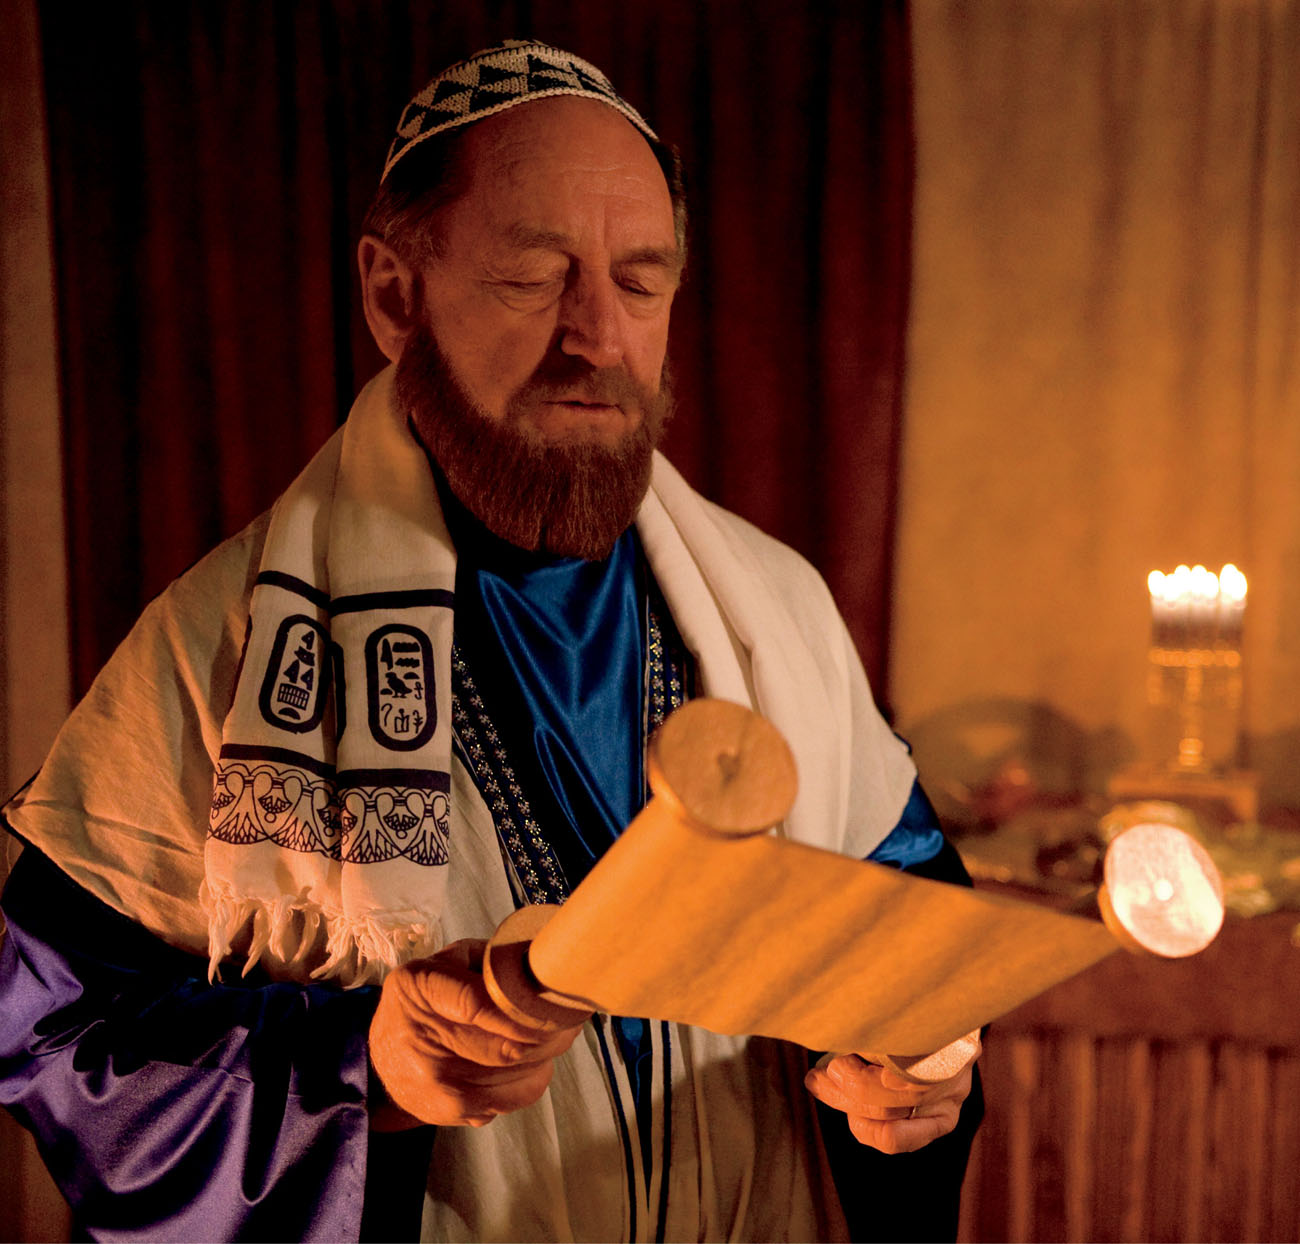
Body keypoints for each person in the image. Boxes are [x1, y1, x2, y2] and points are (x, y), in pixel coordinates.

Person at [0, 40, 981, 1243]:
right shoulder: (225, 645)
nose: (596, 336)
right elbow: (56, 1034)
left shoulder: (780, 607)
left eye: (640, 279)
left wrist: (915, 1074)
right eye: (531, 278)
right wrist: (363, 1069)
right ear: (392, 294)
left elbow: (911, 936)